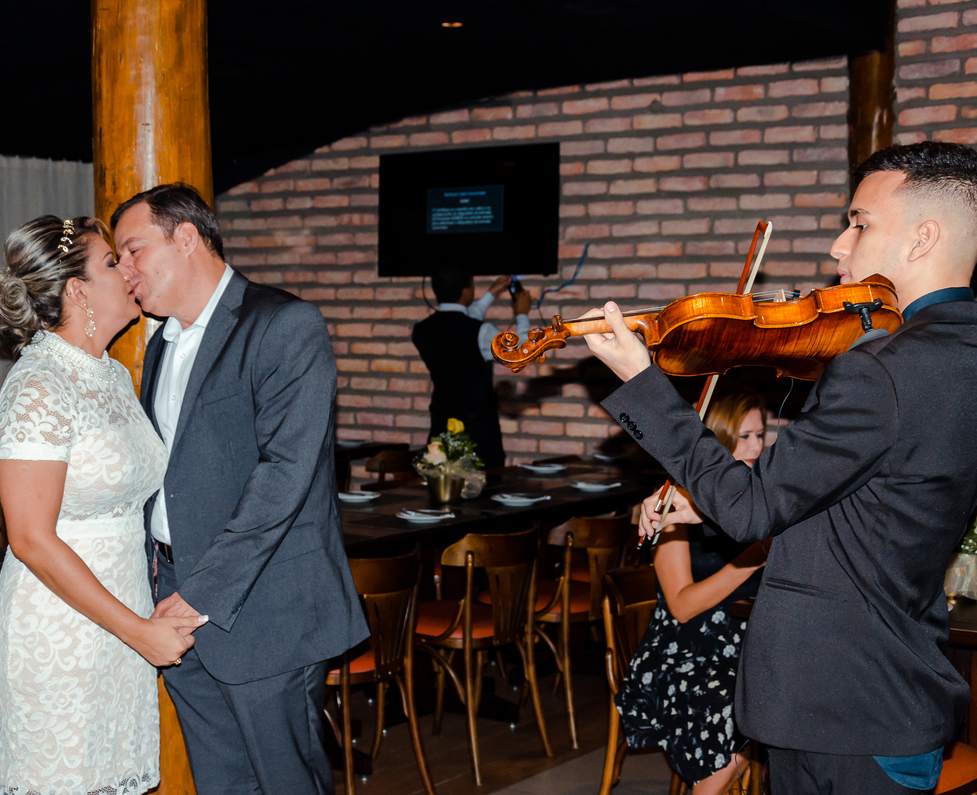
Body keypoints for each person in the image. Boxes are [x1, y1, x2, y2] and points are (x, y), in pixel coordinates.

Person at [583, 141, 977, 794]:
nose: (838, 247)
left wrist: (642, 380)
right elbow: (878, 499)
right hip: (900, 692)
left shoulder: (880, 369)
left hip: (840, 708)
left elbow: (752, 509)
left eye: (859, 222)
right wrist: (705, 496)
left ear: (922, 238)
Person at [111, 184, 369, 795]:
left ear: (186, 238)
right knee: (221, 782)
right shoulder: (158, 346)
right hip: (175, 595)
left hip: (264, 606)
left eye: (132, 250)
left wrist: (202, 592)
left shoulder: (283, 323)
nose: (124, 271)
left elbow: (285, 474)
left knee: (285, 781)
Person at [0, 215, 203, 795]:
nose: (128, 270)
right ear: (77, 290)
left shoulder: (107, 375)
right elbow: (30, 538)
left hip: (118, 621)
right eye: (112, 262)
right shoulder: (38, 386)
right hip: (58, 631)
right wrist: (136, 630)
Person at [616, 386, 768, 794]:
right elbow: (682, 606)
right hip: (682, 654)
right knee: (731, 707)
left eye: (760, 435)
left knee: (788, 689)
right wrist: (754, 557)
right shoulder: (676, 503)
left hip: (745, 643)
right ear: (718, 438)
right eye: (745, 436)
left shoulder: (764, 501)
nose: (756, 446)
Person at [412, 266, 532, 468]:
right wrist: (522, 314)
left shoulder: (421, 330)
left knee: (444, 487)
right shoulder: (481, 331)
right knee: (486, 492)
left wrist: (490, 294)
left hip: (441, 427)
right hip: (478, 431)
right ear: (467, 290)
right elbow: (519, 352)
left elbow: (457, 321)